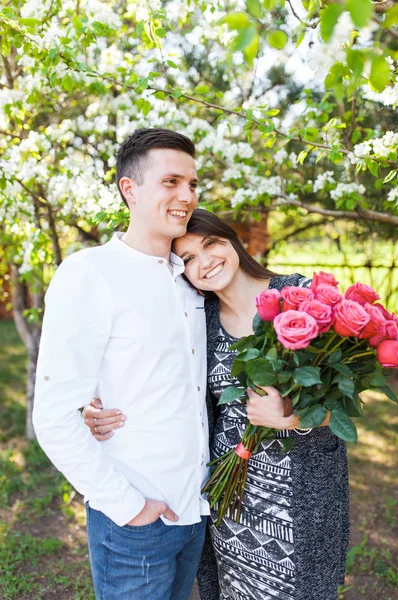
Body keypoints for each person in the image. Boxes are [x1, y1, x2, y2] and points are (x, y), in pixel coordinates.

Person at [85, 209, 350, 600]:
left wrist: (295, 418)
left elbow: (348, 399)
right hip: (231, 497)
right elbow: (158, 381)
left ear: (231, 241)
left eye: (210, 244)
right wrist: (94, 406)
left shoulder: (300, 297)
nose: (205, 262)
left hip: (300, 501)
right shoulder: (199, 319)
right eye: (188, 258)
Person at [33, 128, 212, 600]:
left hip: (195, 512)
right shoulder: (89, 273)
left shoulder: (191, 279)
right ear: (129, 189)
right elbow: (52, 417)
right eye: (171, 182)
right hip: (135, 522)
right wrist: (130, 507)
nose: (187, 196)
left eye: (193, 184)